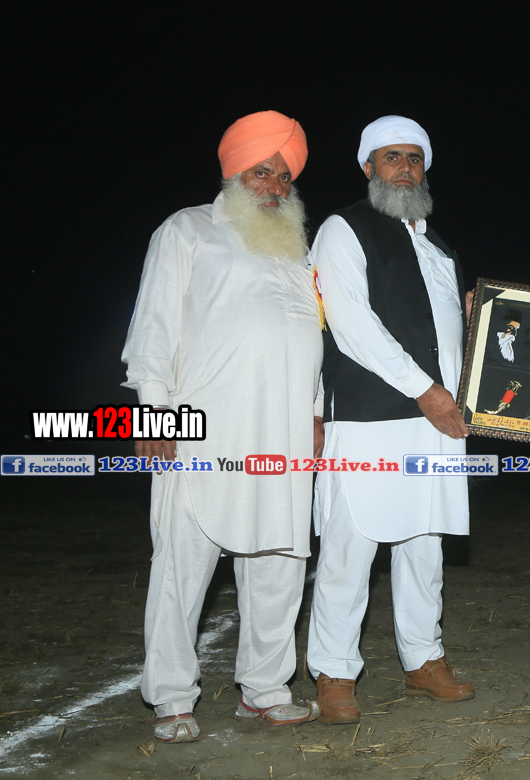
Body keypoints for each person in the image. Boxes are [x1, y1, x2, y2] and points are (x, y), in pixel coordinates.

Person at [122, 111, 324, 743]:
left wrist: (316, 412)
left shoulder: (298, 250)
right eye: (262, 172)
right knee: (182, 564)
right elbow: (152, 328)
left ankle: (265, 689)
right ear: (234, 173)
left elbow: (311, 339)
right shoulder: (187, 229)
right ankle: (172, 698)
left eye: (284, 177)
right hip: (203, 427)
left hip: (285, 430)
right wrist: (153, 411)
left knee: (280, 560)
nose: (274, 186)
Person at [307, 115, 473, 725]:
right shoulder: (343, 229)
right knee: (350, 546)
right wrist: (425, 390)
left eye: (414, 158)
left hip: (436, 421)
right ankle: (334, 670)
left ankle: (423, 659)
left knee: (424, 542)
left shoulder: (439, 247)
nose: (404, 168)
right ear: (368, 166)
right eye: (391, 157)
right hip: (370, 418)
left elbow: (448, 332)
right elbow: (351, 324)